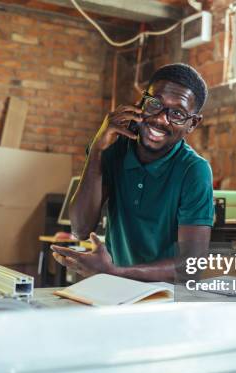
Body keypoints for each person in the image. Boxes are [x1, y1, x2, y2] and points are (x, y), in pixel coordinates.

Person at [52, 63, 213, 282]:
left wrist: (115, 273)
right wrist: (97, 150)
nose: (160, 119)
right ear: (141, 102)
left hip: (163, 297)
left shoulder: (194, 170)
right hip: (116, 292)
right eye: (155, 104)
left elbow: (190, 266)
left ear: (192, 123)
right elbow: (80, 229)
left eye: (177, 113)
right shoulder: (115, 150)